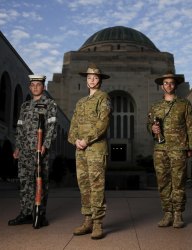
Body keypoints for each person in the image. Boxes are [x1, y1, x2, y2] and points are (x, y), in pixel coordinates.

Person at [147, 72, 192, 228]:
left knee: (178, 182)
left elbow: (191, 127)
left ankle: (178, 214)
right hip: (160, 149)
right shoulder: (155, 106)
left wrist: (191, 147)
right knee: (163, 182)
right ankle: (167, 213)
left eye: (171, 83)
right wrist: (152, 128)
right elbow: (148, 125)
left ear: (175, 85)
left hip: (179, 148)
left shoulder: (184, 104)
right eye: (165, 83)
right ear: (161, 86)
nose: (168, 85)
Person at [68, 64, 111, 240]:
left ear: (99, 80)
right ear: (86, 81)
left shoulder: (104, 97)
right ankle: (88, 221)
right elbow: (73, 126)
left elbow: (103, 123)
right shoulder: (80, 102)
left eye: (95, 78)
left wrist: (87, 139)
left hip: (96, 149)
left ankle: (98, 223)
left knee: (96, 185)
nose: (91, 80)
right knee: (84, 185)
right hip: (81, 150)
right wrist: (75, 140)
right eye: (89, 78)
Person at [8, 75, 58, 229]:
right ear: (29, 87)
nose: (35, 87)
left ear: (44, 87)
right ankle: (26, 213)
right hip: (24, 151)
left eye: (38, 84)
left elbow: (52, 127)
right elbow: (20, 129)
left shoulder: (49, 104)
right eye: (33, 85)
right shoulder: (25, 106)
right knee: (25, 182)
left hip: (39, 150)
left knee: (40, 182)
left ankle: (40, 214)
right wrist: (17, 147)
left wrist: (46, 145)